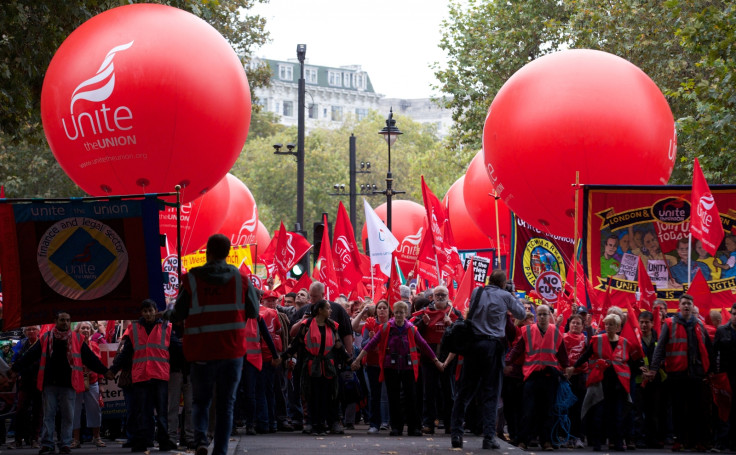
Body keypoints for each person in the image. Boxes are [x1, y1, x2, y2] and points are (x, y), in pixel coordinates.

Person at [165, 234, 260, 455]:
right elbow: (254, 311)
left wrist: (168, 312)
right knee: (226, 405)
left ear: (207, 251)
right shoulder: (241, 280)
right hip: (231, 351)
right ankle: (221, 450)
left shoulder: (193, 279)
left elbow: (177, 313)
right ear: (228, 253)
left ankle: (200, 440)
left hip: (201, 351)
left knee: (200, 401)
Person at [10, 311, 113, 455]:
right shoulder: (46, 338)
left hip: (69, 383)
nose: (65, 322)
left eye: (68, 320)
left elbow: (90, 359)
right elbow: (30, 356)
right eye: (62, 320)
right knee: (49, 415)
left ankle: (65, 443)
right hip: (49, 383)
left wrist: (105, 371)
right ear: (56, 321)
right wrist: (15, 368)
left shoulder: (77, 338)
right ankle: (47, 443)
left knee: (68, 415)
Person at [450, 270, 526, 450]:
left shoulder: (478, 291)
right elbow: (522, 314)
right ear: (503, 283)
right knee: (491, 393)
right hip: (493, 347)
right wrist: (511, 295)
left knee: (465, 392)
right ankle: (489, 437)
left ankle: (456, 434)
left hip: (474, 346)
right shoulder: (506, 295)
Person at [351, 300, 443, 437]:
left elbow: (424, 345)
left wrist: (436, 361)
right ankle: (396, 428)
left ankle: (414, 428)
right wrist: (358, 360)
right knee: (393, 398)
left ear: (406, 314)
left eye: (402, 312)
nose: (399, 315)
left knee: (411, 397)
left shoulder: (411, 328)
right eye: (397, 312)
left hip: (408, 367)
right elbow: (371, 344)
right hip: (390, 367)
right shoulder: (386, 327)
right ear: (394, 313)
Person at [646, 294, 714, 451]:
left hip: (696, 373)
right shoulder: (669, 324)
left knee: (696, 409)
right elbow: (660, 348)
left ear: (692, 306)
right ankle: (680, 441)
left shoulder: (699, 324)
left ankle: (696, 441)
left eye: (689, 303)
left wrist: (710, 371)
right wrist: (654, 369)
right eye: (683, 303)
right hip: (677, 373)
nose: (686, 306)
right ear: (679, 306)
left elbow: (708, 349)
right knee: (678, 409)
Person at [111, 299, 178, 452]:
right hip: (141, 376)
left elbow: (176, 348)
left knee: (161, 411)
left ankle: (163, 441)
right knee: (142, 411)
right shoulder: (134, 329)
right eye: (145, 311)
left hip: (158, 374)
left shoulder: (166, 327)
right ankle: (142, 441)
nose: (148, 314)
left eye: (151, 310)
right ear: (142, 313)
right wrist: (114, 369)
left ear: (156, 310)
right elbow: (126, 353)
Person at [569, 314, 635, 451]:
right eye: (606, 324)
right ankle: (597, 443)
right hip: (600, 383)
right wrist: (573, 367)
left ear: (618, 327)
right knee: (598, 414)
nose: (608, 327)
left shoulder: (624, 342)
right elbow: (585, 356)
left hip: (618, 385)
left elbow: (630, 362)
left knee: (617, 414)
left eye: (611, 324)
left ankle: (617, 442)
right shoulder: (597, 340)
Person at [507, 304, 568, 451]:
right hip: (531, 376)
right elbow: (517, 350)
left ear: (549, 316)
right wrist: (506, 362)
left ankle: (546, 441)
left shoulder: (556, 332)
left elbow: (562, 354)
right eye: (539, 314)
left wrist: (567, 368)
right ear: (535, 316)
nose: (542, 317)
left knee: (547, 410)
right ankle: (523, 441)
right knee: (528, 410)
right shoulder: (527, 330)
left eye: (544, 314)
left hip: (550, 377)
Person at [284, 300, 350, 435]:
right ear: (320, 310)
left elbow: (339, 346)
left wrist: (350, 361)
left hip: (328, 367)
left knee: (327, 396)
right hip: (311, 367)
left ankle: (322, 424)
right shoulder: (307, 325)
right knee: (312, 396)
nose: (331, 311)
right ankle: (314, 425)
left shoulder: (332, 326)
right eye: (328, 308)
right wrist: (282, 357)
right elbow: (296, 344)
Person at [411, 284, 463, 434]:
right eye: (437, 294)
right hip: (429, 358)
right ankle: (428, 423)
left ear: (448, 297)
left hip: (448, 358)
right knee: (429, 392)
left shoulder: (455, 313)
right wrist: (422, 323)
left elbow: (463, 333)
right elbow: (412, 331)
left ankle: (450, 424)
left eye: (443, 295)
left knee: (449, 393)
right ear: (432, 297)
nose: (440, 297)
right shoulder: (424, 312)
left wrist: (452, 325)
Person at [354, 300, 391, 434]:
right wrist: (370, 339)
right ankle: (374, 423)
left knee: (385, 395)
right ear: (376, 311)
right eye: (379, 308)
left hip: (387, 365)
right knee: (374, 395)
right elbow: (363, 344)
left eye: (384, 308)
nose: (382, 310)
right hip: (372, 364)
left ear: (388, 310)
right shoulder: (370, 324)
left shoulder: (391, 325)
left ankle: (386, 422)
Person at [71, 321, 105, 449]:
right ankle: (75, 439)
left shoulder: (95, 346)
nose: (85, 330)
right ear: (77, 331)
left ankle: (97, 437)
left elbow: (99, 365)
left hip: (92, 382)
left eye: (87, 328)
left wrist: (101, 384)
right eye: (82, 328)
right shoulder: (73, 345)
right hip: (76, 382)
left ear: (91, 331)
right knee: (75, 411)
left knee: (95, 410)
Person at [11, 325, 42, 449]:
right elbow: (15, 360)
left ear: (38, 331)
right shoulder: (21, 344)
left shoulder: (42, 343)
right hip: (24, 382)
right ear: (24, 332)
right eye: (28, 329)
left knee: (37, 411)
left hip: (39, 382)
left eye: (33, 329)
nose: (31, 331)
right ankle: (18, 439)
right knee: (20, 410)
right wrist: (17, 373)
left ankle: (34, 438)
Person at [712, 302, 736, 451]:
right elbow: (714, 353)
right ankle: (721, 442)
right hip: (725, 376)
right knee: (723, 409)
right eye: (734, 314)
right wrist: (714, 373)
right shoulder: (722, 331)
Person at [562, 313, 588, 449]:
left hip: (580, 377)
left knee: (579, 409)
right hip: (565, 377)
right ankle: (566, 436)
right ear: (569, 324)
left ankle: (578, 437)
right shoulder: (562, 338)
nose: (575, 325)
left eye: (578, 323)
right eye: (573, 323)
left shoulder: (586, 339)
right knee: (566, 408)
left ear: (583, 326)